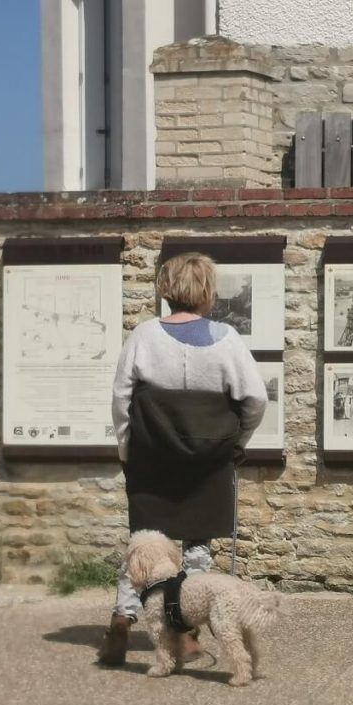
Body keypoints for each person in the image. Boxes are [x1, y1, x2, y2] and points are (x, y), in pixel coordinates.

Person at [99, 252, 267, 667]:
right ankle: (187, 632)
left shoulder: (142, 336)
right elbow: (255, 399)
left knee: (145, 547)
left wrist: (127, 450)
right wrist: (237, 441)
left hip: (152, 457)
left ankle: (122, 620)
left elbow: (122, 401)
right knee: (197, 549)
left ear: (167, 289)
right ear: (208, 292)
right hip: (207, 461)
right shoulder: (227, 338)